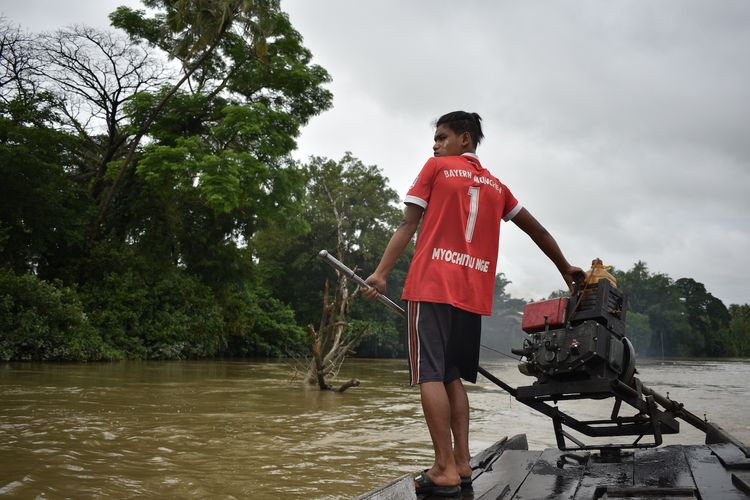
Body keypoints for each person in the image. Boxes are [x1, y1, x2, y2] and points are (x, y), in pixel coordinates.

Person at [362, 111, 585, 497]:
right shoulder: (497, 186)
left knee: (429, 374)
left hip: (430, 286)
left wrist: (381, 273)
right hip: (470, 293)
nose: (435, 144)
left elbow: (407, 225)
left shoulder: (436, 169)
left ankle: (444, 469)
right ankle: (462, 464)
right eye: (435, 139)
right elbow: (538, 230)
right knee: (451, 375)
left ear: (465, 139)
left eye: (443, 136)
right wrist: (565, 267)